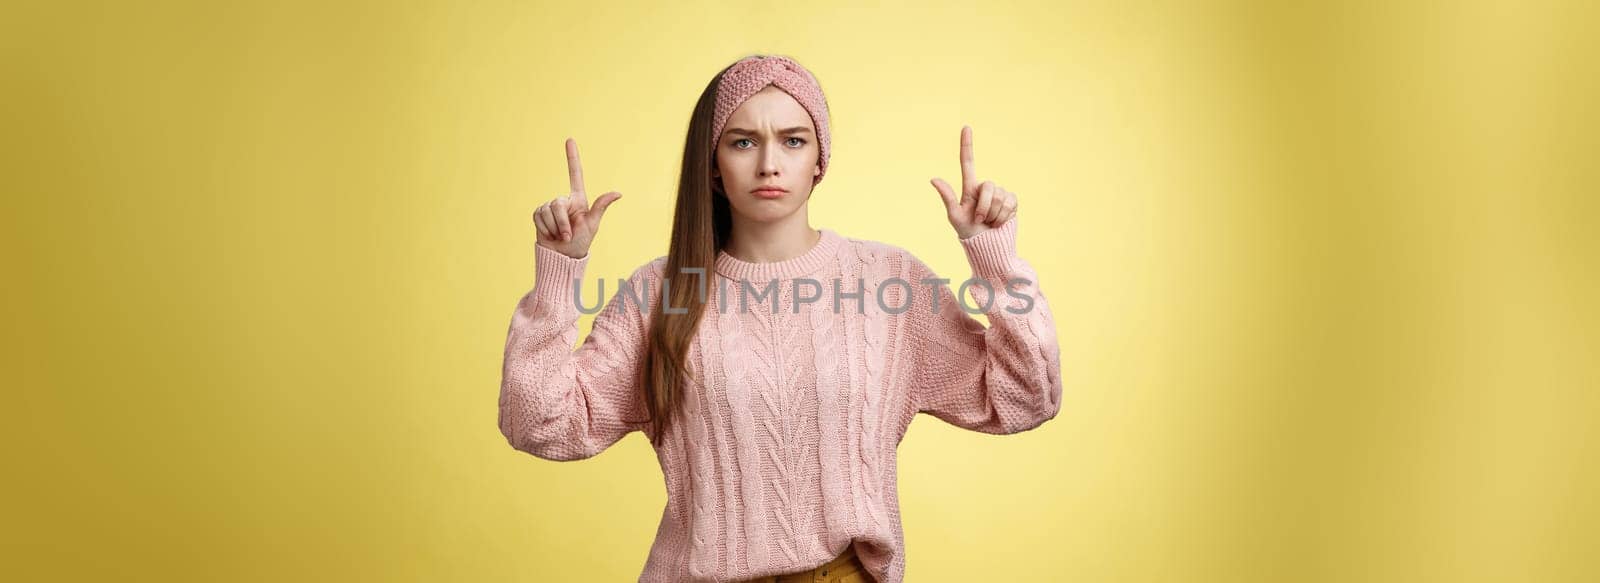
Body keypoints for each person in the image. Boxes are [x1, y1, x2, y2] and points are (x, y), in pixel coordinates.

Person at [499, 54, 1062, 583]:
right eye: (743, 141)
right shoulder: (660, 293)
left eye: (793, 140)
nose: (769, 163)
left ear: (819, 160)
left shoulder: (890, 284)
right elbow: (541, 424)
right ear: (713, 165)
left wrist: (994, 259)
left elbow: (1023, 397)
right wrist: (561, 268)